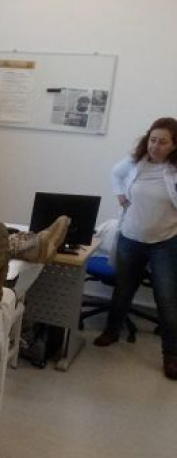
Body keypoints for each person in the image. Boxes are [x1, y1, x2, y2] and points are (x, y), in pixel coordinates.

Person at [93, 117, 177, 381]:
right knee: (123, 289)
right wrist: (120, 193)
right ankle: (112, 331)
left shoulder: (174, 170)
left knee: (167, 298)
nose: (155, 146)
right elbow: (115, 173)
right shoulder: (135, 163)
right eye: (152, 140)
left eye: (163, 142)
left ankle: (171, 355)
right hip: (131, 238)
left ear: (174, 145)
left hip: (165, 242)